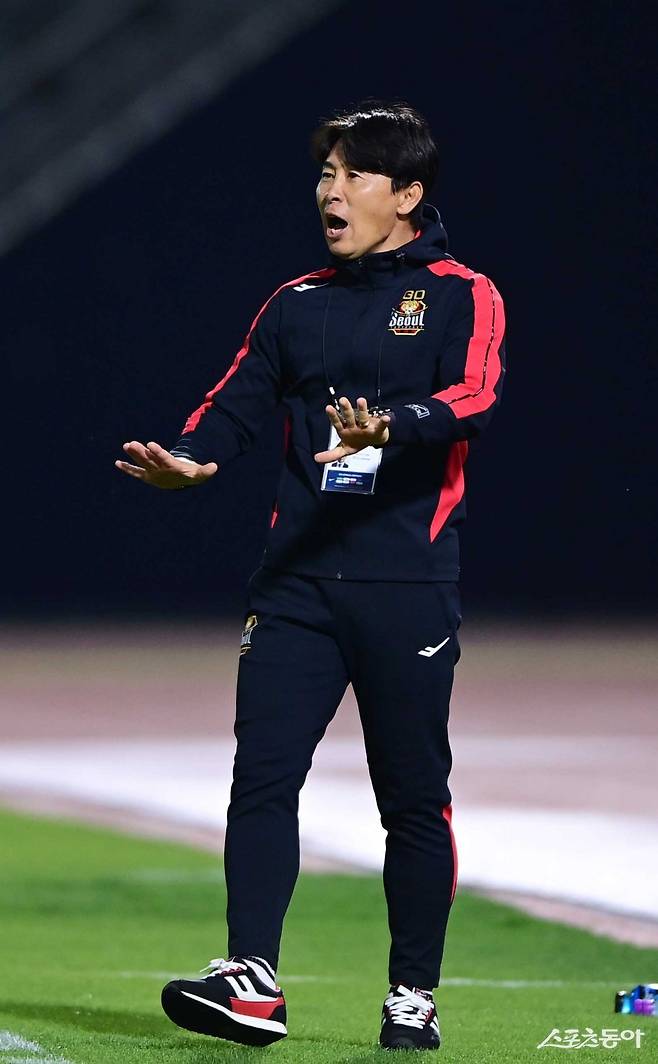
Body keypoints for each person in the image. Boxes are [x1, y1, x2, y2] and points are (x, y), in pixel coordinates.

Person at [115, 100, 506, 1052]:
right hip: (295, 585)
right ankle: (251, 978)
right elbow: (234, 403)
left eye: (353, 174)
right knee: (262, 776)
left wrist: (396, 424)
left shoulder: (464, 293)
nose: (330, 190)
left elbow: (475, 395)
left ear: (406, 195)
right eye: (326, 173)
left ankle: (412, 993)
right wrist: (190, 458)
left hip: (407, 585)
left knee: (411, 797)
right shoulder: (295, 302)